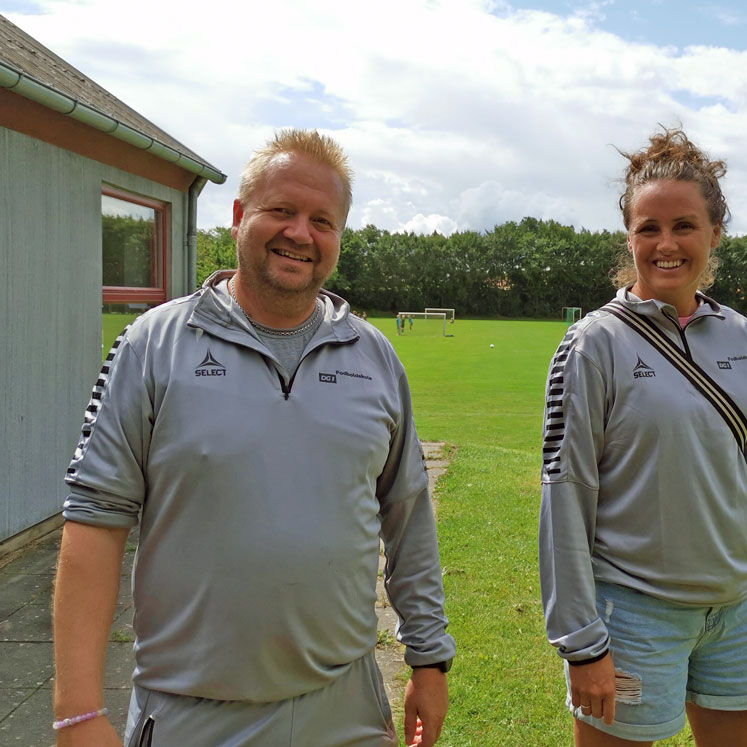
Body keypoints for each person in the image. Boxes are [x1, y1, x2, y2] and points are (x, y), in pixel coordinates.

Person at [53, 129, 454, 747]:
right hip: (193, 712)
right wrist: (77, 711)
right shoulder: (154, 344)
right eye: (281, 211)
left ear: (339, 238)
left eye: (323, 219)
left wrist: (427, 658)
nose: (301, 233)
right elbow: (94, 520)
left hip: (345, 707)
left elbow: (406, 514)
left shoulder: (372, 355)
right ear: (239, 216)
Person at [539, 127, 747, 747]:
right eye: (648, 228)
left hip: (738, 610)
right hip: (634, 613)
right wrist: (581, 643)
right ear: (628, 236)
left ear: (714, 233)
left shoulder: (742, 336)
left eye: (684, 225)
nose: (665, 244)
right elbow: (566, 491)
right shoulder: (592, 344)